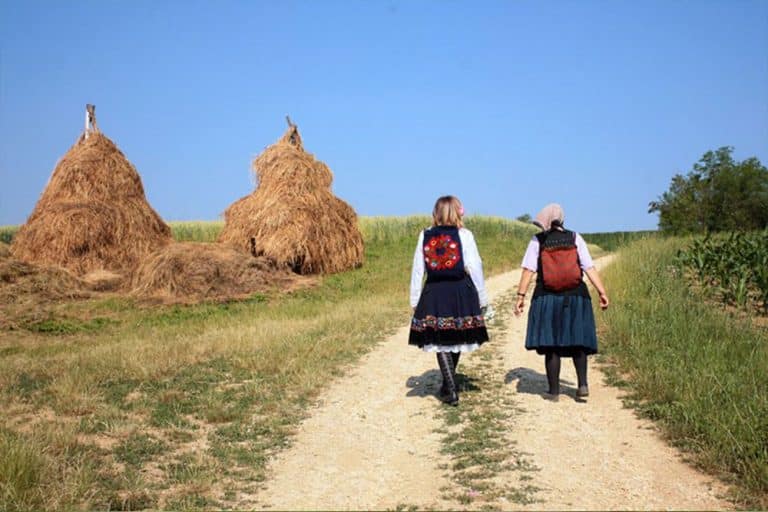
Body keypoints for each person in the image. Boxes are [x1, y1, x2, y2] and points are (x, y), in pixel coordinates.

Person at [514, 203, 609, 401]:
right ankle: (582, 384)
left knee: (551, 344)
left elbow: (528, 270)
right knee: (578, 341)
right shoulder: (575, 238)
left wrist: (520, 296)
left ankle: (554, 391)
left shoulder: (537, 240)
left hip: (547, 297)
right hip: (576, 296)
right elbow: (588, 267)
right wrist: (602, 292)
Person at [409, 195, 490, 406]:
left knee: (441, 340)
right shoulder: (465, 235)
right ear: (457, 212)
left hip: (435, 290)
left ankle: (448, 386)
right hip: (460, 289)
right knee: (455, 336)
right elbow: (475, 266)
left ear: (436, 213)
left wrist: (415, 299)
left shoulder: (425, 235)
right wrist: (482, 295)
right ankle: (450, 385)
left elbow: (419, 268)